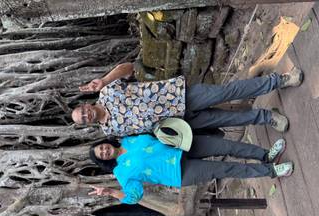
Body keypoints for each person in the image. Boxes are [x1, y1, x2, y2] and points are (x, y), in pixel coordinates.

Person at [72, 62, 303, 136]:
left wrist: (103, 79)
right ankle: (267, 116)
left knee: (229, 92)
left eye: (83, 110)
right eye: (83, 119)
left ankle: (280, 80)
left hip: (178, 96)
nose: (86, 115)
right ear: (86, 124)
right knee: (229, 118)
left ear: (85, 104)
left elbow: (129, 68)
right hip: (178, 124)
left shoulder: (106, 91)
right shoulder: (109, 131)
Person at [88, 134, 293, 205]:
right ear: (103, 161)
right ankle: (271, 171)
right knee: (226, 168)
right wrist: (110, 192)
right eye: (102, 154)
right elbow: (134, 196)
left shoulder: (127, 139)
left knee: (226, 146)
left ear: (105, 142)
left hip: (182, 145)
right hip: (179, 172)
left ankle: (265, 155)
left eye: (102, 147)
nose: (105, 151)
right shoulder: (120, 173)